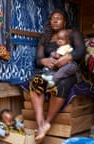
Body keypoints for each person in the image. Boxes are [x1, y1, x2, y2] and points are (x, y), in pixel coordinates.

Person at [29, 9, 86, 143]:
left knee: (61, 84)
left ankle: (48, 123)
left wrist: (68, 58)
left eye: (58, 18)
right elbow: (37, 60)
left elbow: (81, 50)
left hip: (68, 71)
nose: (54, 21)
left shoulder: (73, 33)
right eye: (52, 18)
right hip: (50, 71)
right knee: (35, 82)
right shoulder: (45, 38)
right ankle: (40, 124)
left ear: (65, 21)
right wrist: (44, 61)